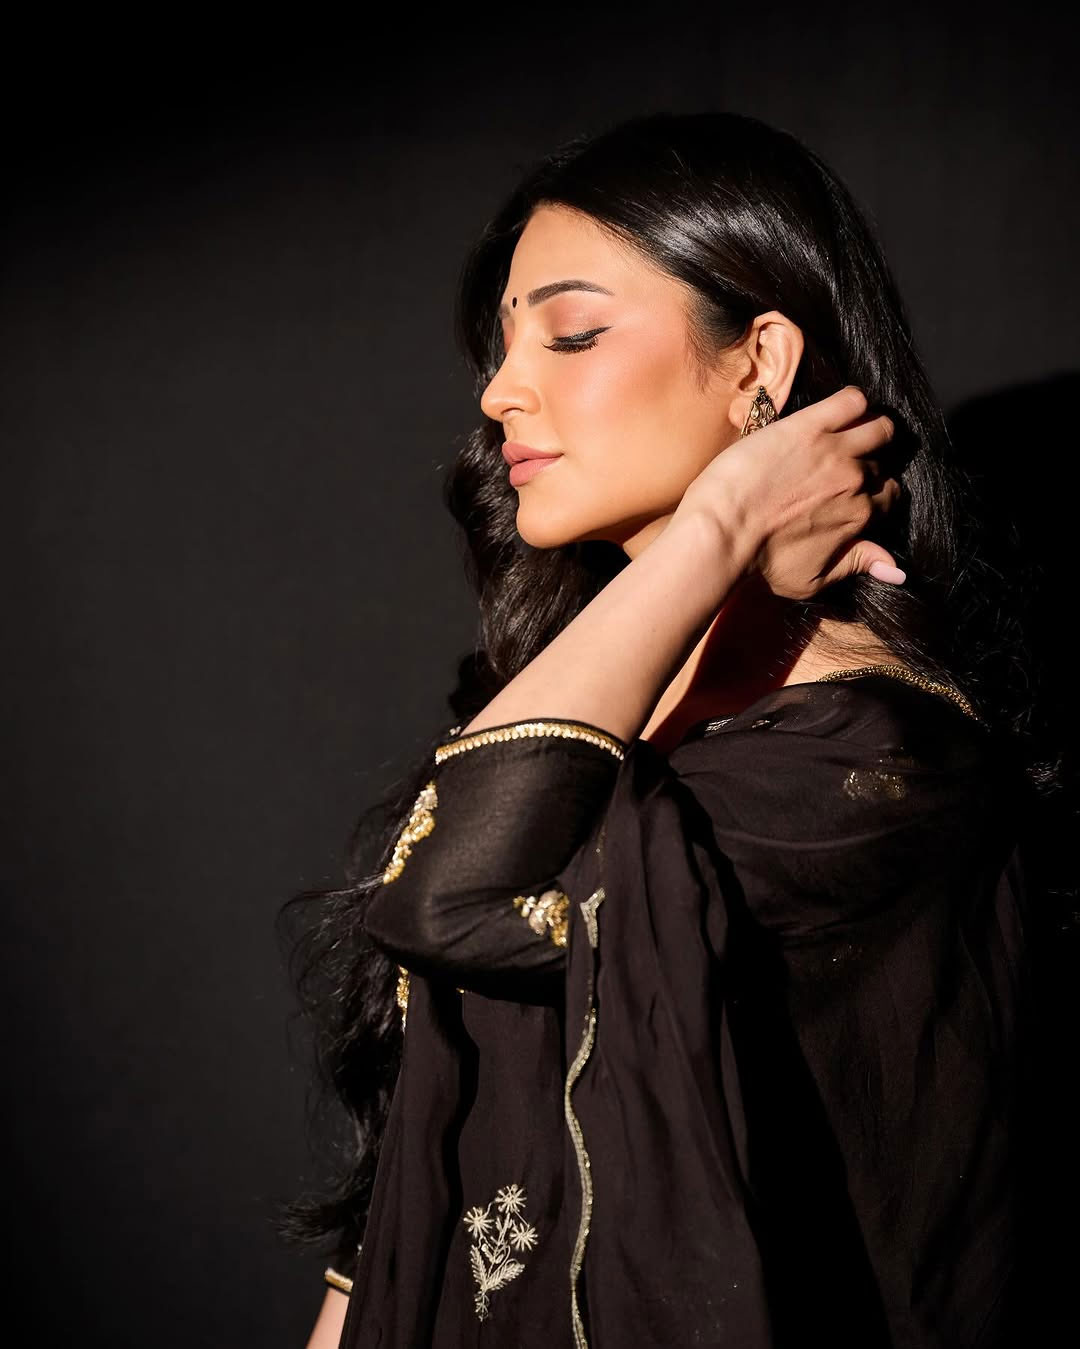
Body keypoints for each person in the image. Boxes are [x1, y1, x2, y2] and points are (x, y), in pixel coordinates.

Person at [278, 111, 1072, 1347]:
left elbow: (454, 897)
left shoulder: (883, 771)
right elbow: (403, 1198)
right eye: (501, 344)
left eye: (572, 332)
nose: (499, 391)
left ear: (763, 361)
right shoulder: (587, 716)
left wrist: (719, 528)